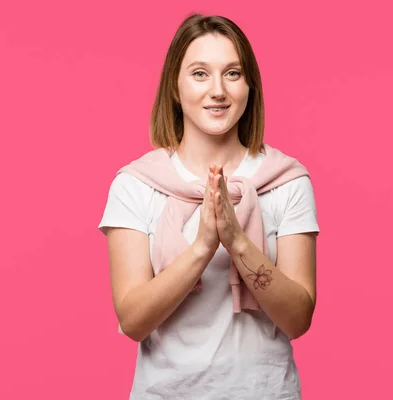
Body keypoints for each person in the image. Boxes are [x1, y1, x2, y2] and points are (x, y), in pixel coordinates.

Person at [98, 13, 320, 399]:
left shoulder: (287, 181)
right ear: (175, 86)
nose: (217, 90)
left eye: (232, 73)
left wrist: (237, 241)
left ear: (250, 86)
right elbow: (133, 320)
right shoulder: (135, 185)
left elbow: (298, 318)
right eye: (200, 73)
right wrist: (203, 246)